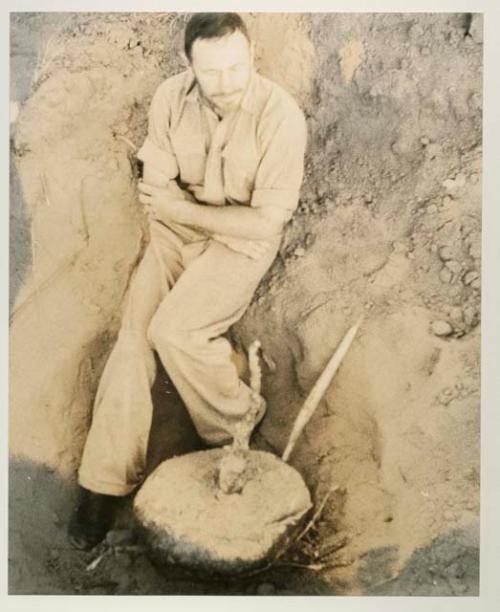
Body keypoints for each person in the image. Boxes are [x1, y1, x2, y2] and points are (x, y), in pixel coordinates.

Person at [68, 12, 307, 550]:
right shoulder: (170, 98)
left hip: (236, 244)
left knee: (173, 331)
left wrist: (183, 209)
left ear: (252, 58)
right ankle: (104, 483)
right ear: (188, 63)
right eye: (212, 71)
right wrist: (174, 209)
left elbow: (264, 222)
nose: (225, 84)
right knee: (133, 340)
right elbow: (155, 188)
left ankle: (236, 429)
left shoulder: (281, 117)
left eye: (236, 68)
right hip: (176, 233)